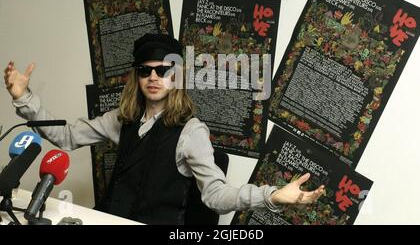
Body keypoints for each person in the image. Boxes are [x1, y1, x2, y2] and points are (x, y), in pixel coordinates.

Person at [3, 33, 325, 225]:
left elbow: (216, 195)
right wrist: (24, 98)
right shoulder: (122, 118)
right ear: (137, 77)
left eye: (163, 70)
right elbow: (68, 136)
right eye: (145, 71)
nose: (153, 77)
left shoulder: (191, 131)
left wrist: (272, 196)